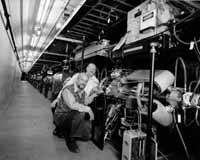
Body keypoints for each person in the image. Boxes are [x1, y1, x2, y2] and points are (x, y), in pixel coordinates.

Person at [53, 73, 94, 153]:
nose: (84, 83)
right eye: (82, 80)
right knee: (80, 113)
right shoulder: (67, 89)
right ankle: (70, 139)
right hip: (62, 115)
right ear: (77, 80)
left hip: (71, 116)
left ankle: (64, 131)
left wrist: (94, 94)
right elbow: (72, 105)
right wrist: (88, 109)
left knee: (86, 136)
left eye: (86, 81)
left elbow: (85, 102)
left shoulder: (83, 92)